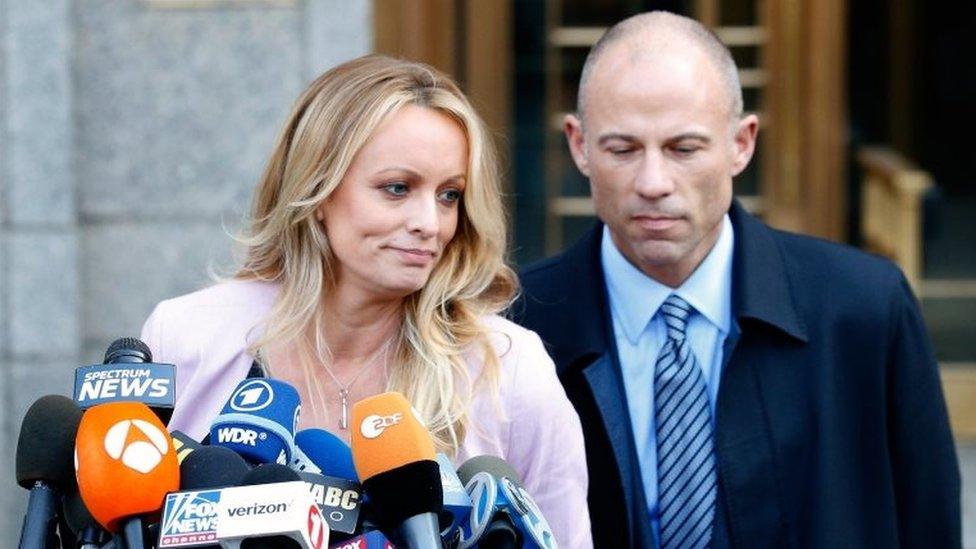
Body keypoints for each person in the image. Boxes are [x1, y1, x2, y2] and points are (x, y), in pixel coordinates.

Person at [513, 11, 960, 549]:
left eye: (684, 148)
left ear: (742, 144)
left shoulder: (864, 309)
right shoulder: (518, 324)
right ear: (579, 146)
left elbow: (929, 520)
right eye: (623, 149)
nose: (654, 183)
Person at [140, 54, 591, 547]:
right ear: (318, 189)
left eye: (449, 195)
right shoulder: (186, 337)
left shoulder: (507, 366)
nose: (430, 222)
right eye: (397, 189)